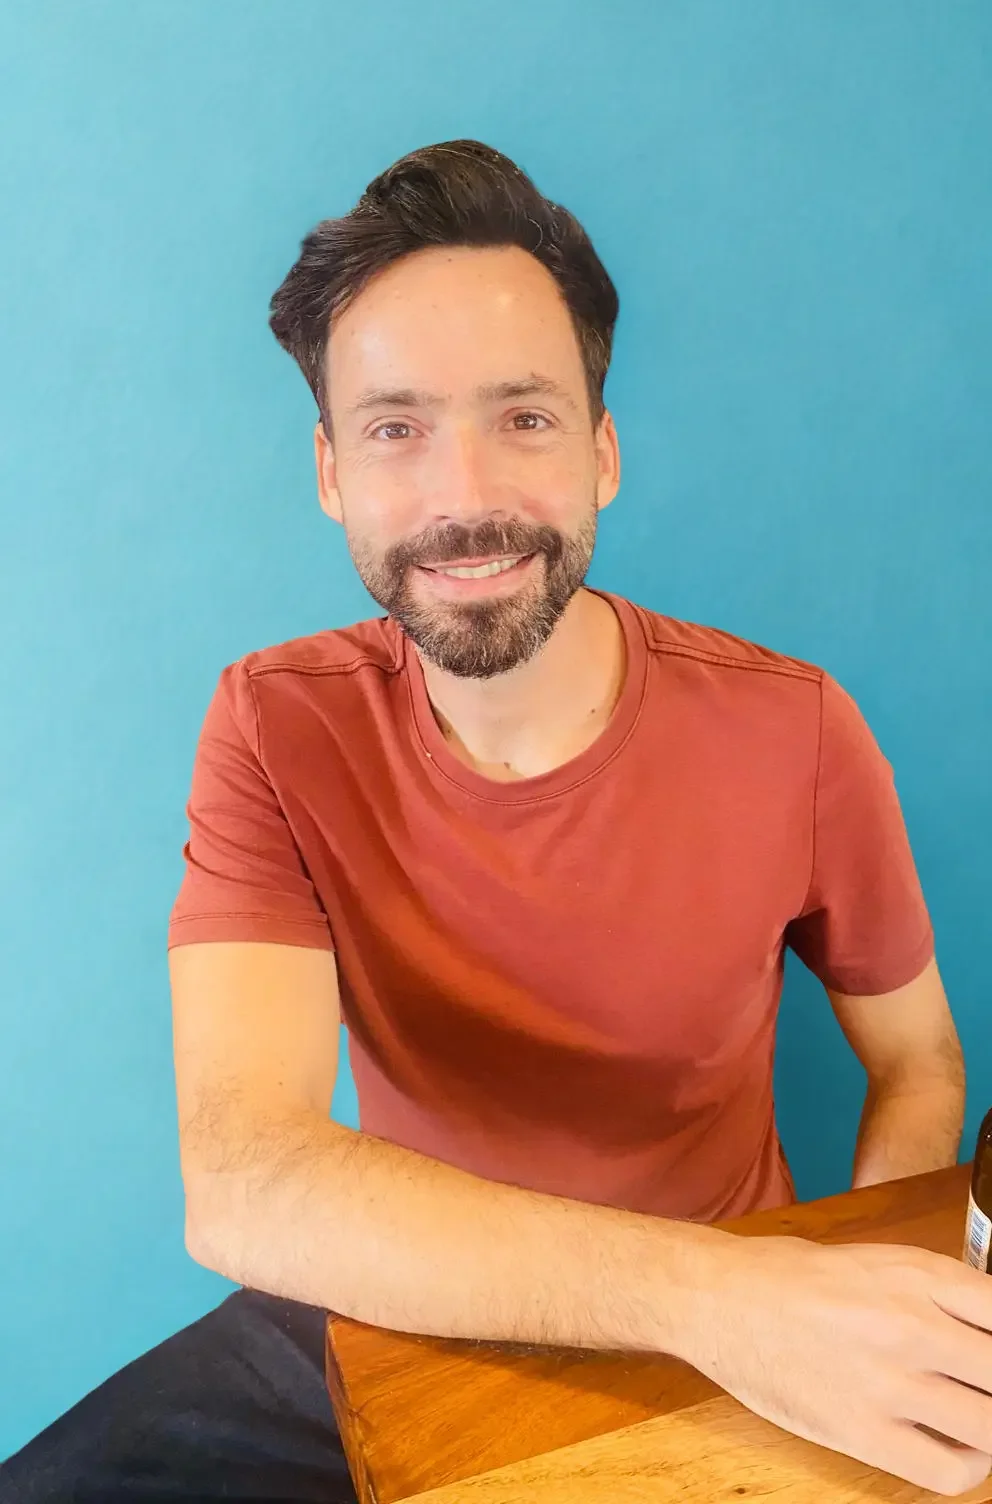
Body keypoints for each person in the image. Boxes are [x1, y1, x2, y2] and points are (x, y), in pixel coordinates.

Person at [4, 138, 989, 1504]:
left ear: (601, 452)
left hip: (740, 1323)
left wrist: (832, 1294)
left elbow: (922, 1064)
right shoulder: (272, 724)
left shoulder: (797, 729)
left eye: (522, 417)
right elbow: (244, 1179)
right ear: (331, 472)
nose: (463, 496)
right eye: (397, 427)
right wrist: (715, 1294)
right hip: (405, 1302)